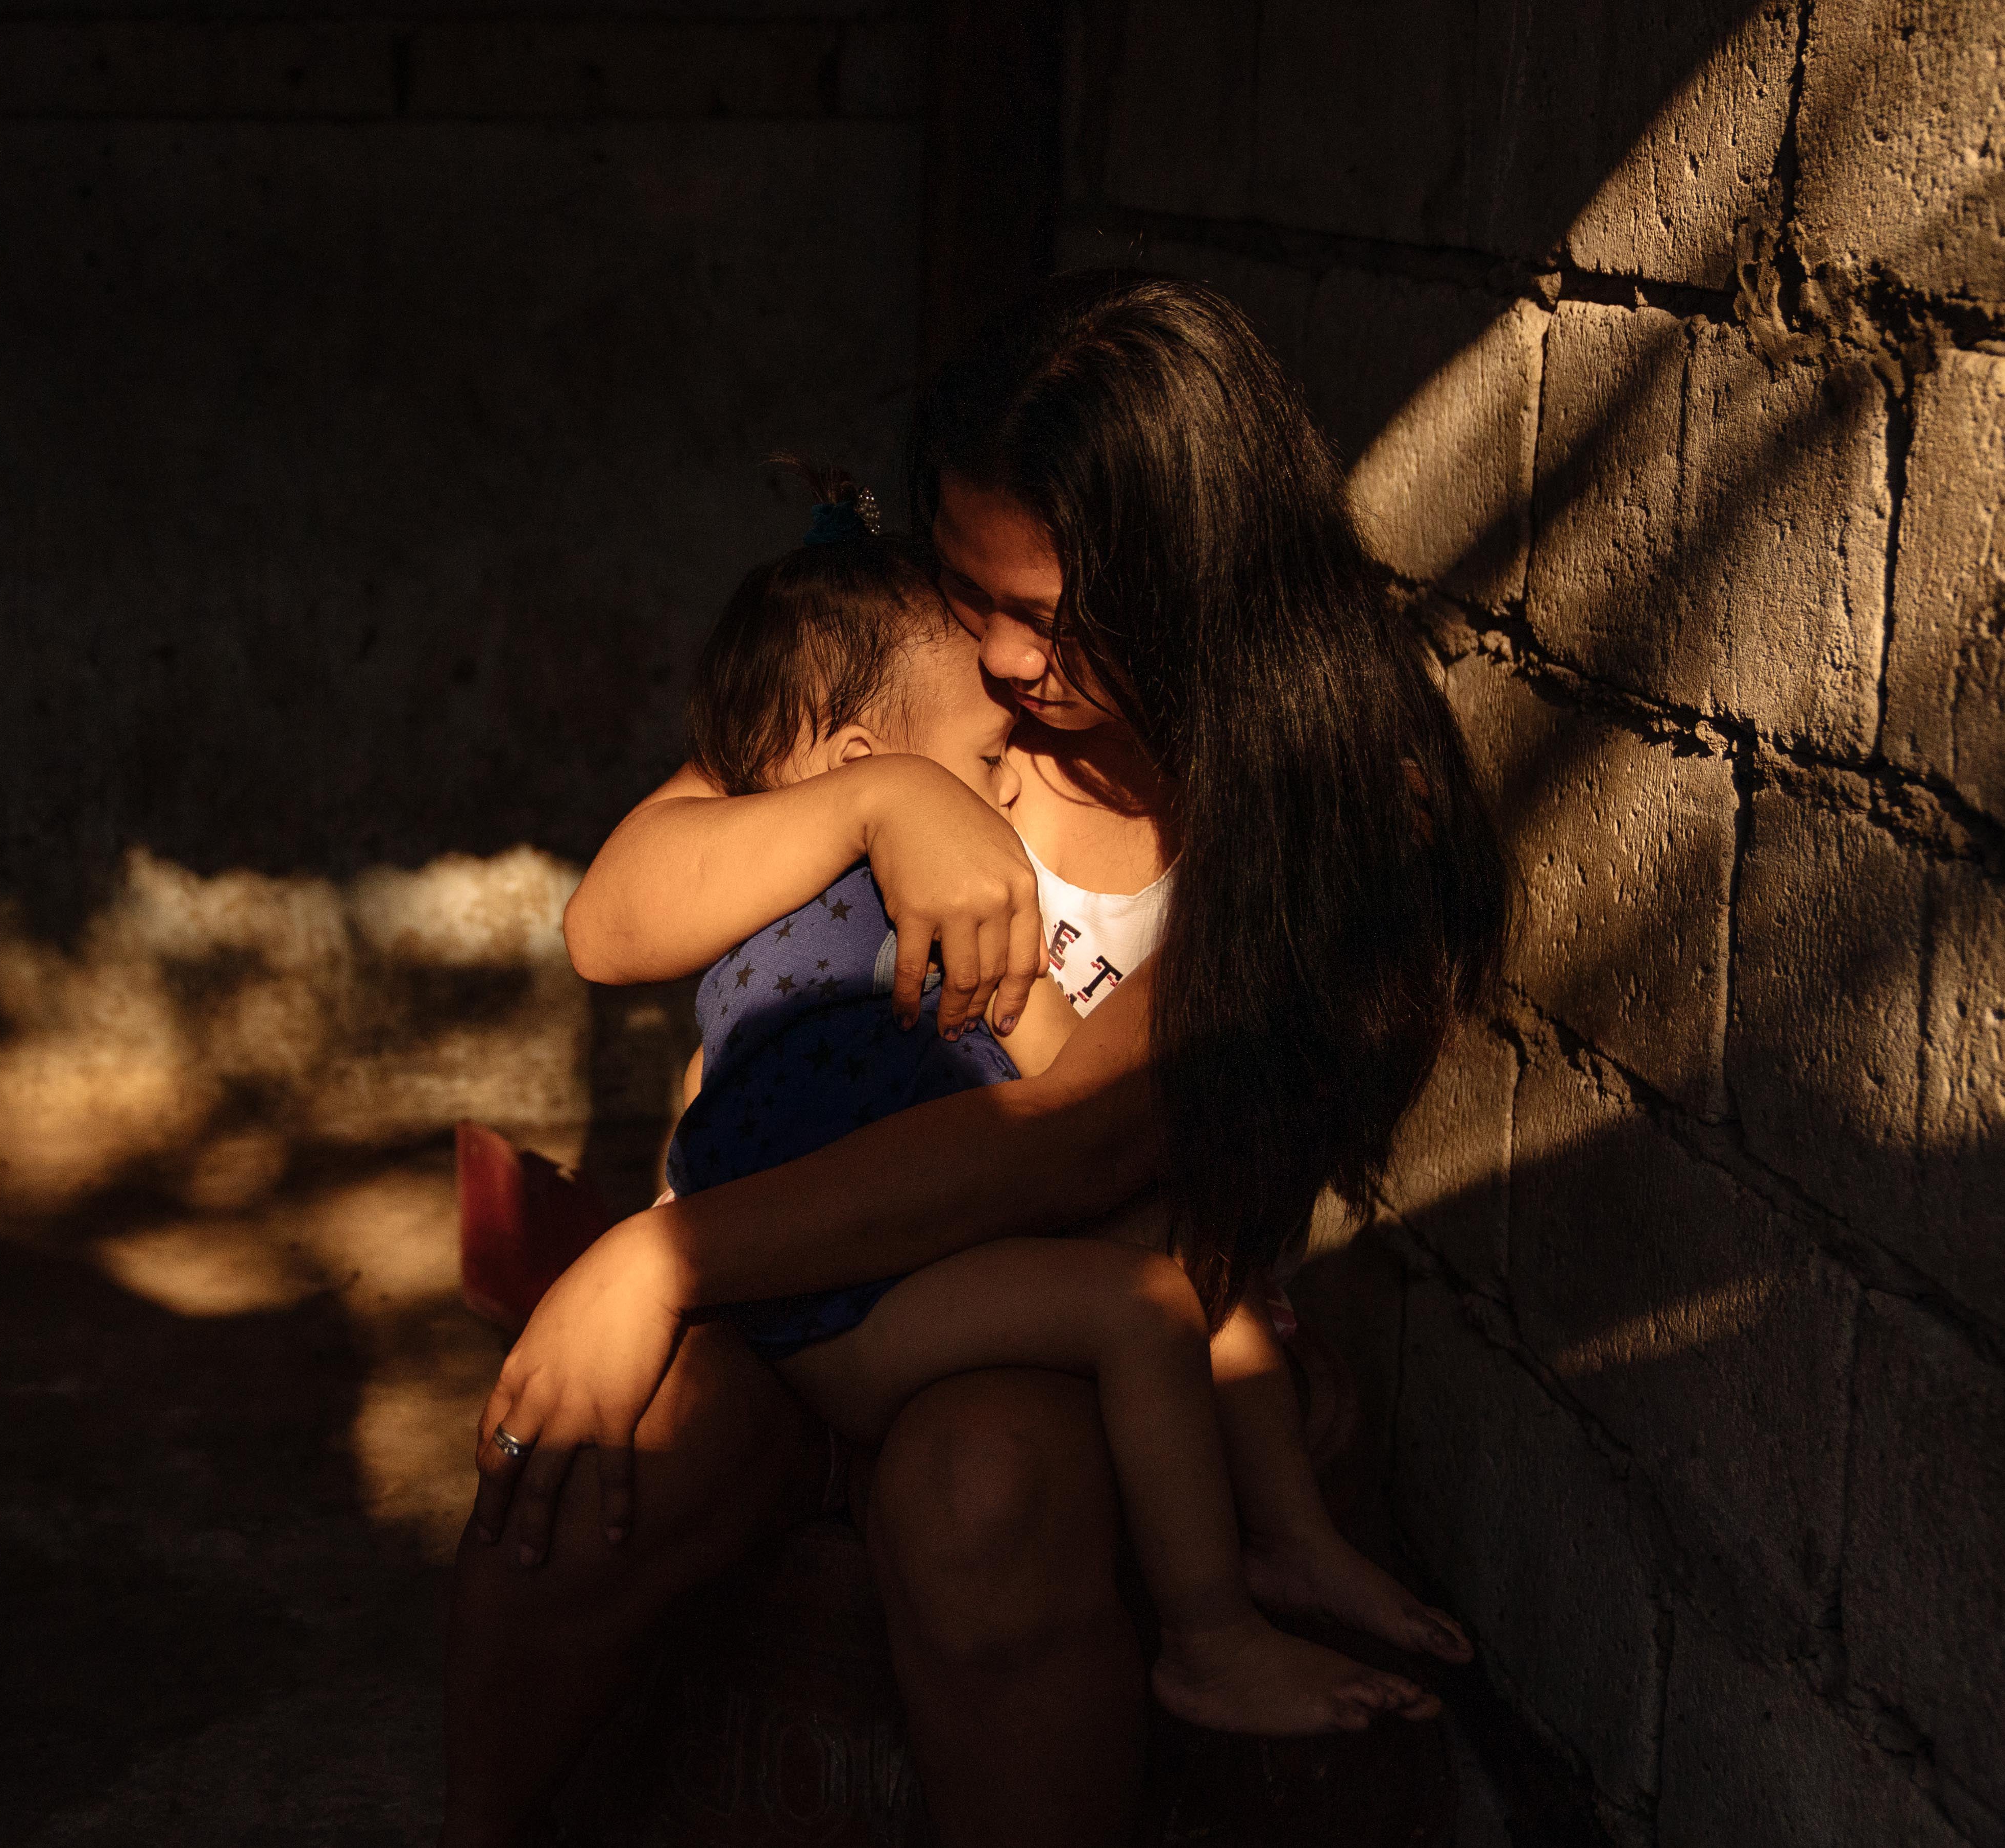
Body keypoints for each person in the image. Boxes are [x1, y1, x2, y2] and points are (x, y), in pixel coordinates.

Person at [440, 272, 1508, 1847]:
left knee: (981, 1499)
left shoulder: (1319, 798)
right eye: (968, 593)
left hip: (1027, 1296)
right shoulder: (913, 682)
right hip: (792, 1280)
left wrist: (658, 1257)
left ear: (1194, 582)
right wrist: (873, 804)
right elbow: (614, 915)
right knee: (585, 1477)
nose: (1002, 661)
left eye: (1050, 616)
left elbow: (1076, 1137)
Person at [651, 466, 1456, 1736]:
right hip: (833, 1294)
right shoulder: (843, 887)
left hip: (926, 1231)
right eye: (982, 759)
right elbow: (635, 953)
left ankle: (1296, 1537)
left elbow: (1077, 1089)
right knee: (1140, 1309)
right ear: (867, 762)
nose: (1011, 779)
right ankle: (1210, 1636)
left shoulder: (973, 895)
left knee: (1194, 1254)